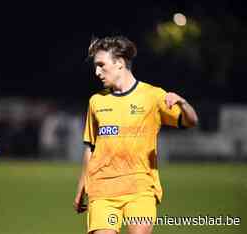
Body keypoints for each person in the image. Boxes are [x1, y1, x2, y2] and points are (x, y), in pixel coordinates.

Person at [73, 36, 198, 234]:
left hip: (140, 189)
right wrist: (82, 185)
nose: (97, 72)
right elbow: (91, 147)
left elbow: (191, 121)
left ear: (120, 63)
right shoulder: (96, 101)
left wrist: (182, 102)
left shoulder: (152, 96)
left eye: (101, 65)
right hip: (103, 190)